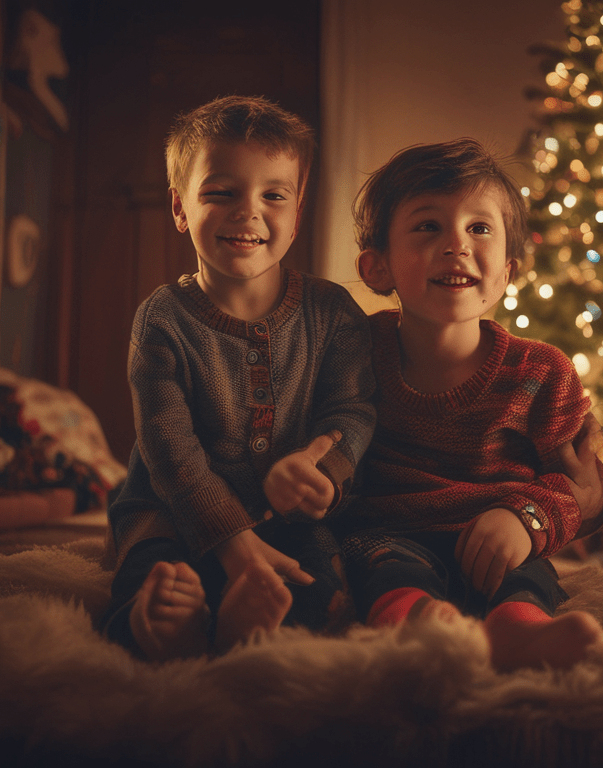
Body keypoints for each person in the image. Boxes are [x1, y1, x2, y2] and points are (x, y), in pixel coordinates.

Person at [99, 95, 376, 661]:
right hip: (171, 508)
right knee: (153, 575)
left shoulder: (333, 312)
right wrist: (234, 547)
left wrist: (321, 467)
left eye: (273, 195)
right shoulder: (162, 320)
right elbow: (170, 453)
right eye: (221, 192)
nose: (248, 212)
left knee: (320, 590)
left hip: (287, 517)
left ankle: (237, 629)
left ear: (297, 213)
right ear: (180, 207)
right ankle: (162, 628)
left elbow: (352, 409)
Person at [340, 138, 603, 672]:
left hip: (502, 540)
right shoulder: (352, 354)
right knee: (380, 566)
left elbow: (575, 485)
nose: (457, 245)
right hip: (389, 536)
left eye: (480, 228)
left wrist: (525, 519)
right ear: (377, 268)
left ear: (507, 272)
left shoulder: (541, 371)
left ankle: (520, 634)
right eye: (428, 226)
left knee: (527, 579)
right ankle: (419, 627)